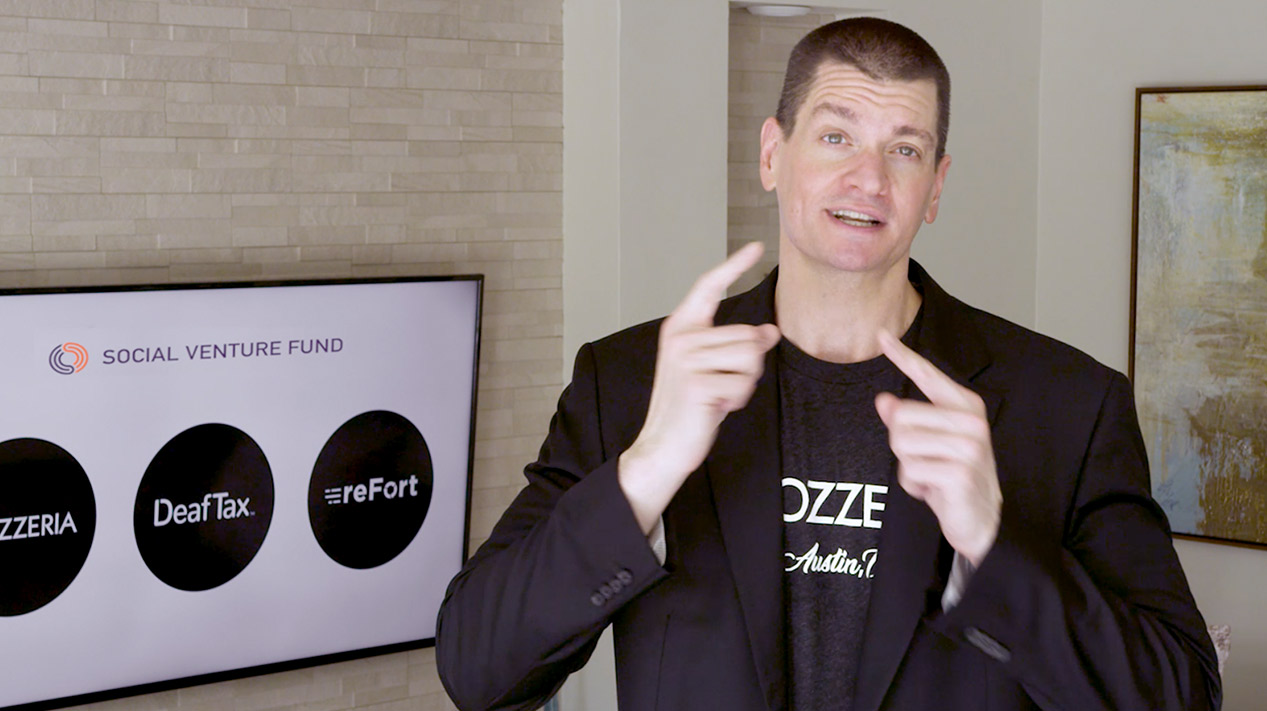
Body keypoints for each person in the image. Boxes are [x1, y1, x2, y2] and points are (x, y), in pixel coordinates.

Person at [435, 17, 1221, 711]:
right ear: (771, 154)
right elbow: (477, 669)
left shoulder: (1065, 405)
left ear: (935, 187)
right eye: (836, 136)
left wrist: (993, 544)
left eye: (903, 149)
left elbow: (1179, 692)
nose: (869, 179)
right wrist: (644, 470)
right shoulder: (630, 383)